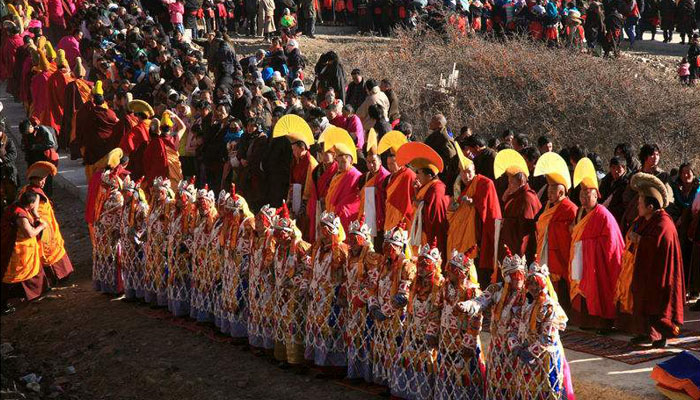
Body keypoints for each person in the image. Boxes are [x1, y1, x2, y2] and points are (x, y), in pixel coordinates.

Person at [617, 173, 685, 348]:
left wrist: (639, 240)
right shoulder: (645, 219)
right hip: (644, 270)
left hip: (660, 274)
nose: (638, 207)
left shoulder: (664, 223)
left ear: (650, 206)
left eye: (640, 204)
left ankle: (660, 335)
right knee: (641, 299)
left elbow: (656, 245)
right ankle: (645, 333)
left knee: (657, 304)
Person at [458, 247, 527, 400]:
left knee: (517, 383)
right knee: (496, 380)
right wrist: (468, 305)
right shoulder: (496, 289)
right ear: (506, 276)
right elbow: (481, 301)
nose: (518, 280)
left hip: (518, 346)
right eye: (514, 276)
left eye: (520, 276)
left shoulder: (528, 295)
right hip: (497, 346)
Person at [569, 157, 624, 332]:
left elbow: (612, 242)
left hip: (600, 262)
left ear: (596, 195)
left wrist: (588, 245)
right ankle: (587, 322)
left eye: (588, 194)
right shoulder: (579, 212)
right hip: (583, 258)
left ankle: (604, 323)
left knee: (600, 290)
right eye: (581, 193)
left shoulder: (602, 214)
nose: (584, 197)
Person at [391, 241, 443, 400]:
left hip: (429, 331)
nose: (420, 268)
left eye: (425, 265)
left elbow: (437, 310)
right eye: (419, 264)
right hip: (412, 329)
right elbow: (406, 293)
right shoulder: (415, 280)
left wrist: (432, 332)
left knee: (426, 362)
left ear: (434, 266)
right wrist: (399, 299)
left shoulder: (440, 284)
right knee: (406, 358)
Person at [515, 262, 575, 400]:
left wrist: (530, 352)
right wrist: (520, 345)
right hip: (529, 355)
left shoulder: (549, 306)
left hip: (546, 357)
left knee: (547, 391)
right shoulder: (527, 303)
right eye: (530, 284)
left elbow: (548, 337)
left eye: (536, 284)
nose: (533, 288)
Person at [433, 248, 486, 400]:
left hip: (464, 340)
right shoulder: (444, 287)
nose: (447, 273)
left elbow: (476, 319)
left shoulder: (473, 292)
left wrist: (469, 343)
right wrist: (433, 331)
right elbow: (436, 309)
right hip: (445, 337)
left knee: (464, 372)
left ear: (461, 273)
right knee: (446, 370)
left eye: (451, 270)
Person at [368, 222, 416, 388]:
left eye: (392, 247)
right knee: (382, 349)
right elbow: (372, 287)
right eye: (386, 246)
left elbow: (403, 296)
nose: (388, 250)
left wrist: (385, 311)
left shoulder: (407, 266)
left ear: (400, 247)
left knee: (395, 349)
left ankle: (395, 385)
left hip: (396, 318)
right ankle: (384, 381)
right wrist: (373, 306)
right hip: (380, 316)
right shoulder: (382, 263)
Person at [447, 145, 501, 288]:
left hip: (481, 234)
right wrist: (452, 209)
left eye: (469, 172)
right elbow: (456, 213)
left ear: (475, 171)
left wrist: (474, 203)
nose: (467, 176)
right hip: (466, 235)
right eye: (463, 173)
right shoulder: (460, 187)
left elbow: (490, 209)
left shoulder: (485, 183)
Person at [305, 211, 348, 372]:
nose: (321, 233)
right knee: (316, 328)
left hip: (332, 297)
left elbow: (348, 274)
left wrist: (342, 293)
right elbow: (310, 267)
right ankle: (317, 360)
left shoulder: (342, 250)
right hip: (316, 295)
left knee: (331, 328)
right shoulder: (316, 247)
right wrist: (308, 285)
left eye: (324, 230)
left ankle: (333, 365)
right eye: (320, 229)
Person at [18, 161, 74, 284]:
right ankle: (58, 277)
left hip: (44, 227)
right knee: (49, 253)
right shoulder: (36, 195)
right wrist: (42, 224)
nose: (44, 182)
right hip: (44, 230)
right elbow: (35, 212)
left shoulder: (26, 189)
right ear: (36, 180)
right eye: (42, 180)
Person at [534, 152, 577, 306]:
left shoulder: (569, 208)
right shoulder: (548, 206)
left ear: (561, 192)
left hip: (559, 253)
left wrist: (553, 227)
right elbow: (542, 223)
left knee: (559, 284)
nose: (549, 195)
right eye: (548, 192)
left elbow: (571, 229)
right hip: (546, 250)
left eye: (553, 192)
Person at [270, 202, 311, 366]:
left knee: (294, 324)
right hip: (281, 292)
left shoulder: (300, 247)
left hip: (294, 294)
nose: (278, 237)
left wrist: (294, 282)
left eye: (281, 233)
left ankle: (296, 359)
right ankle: (282, 356)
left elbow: (308, 269)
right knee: (281, 321)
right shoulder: (279, 248)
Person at [344, 217, 382, 382]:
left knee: (365, 337)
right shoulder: (350, 255)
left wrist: (362, 298)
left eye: (354, 240)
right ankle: (354, 371)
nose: (351, 243)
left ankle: (366, 374)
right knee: (353, 335)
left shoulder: (370, 257)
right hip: (352, 302)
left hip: (365, 306)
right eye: (350, 239)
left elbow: (374, 283)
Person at [494, 149, 542, 279]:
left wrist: (520, 256)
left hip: (518, 249)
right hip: (509, 243)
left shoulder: (527, 197)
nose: (509, 185)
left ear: (521, 182)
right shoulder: (516, 195)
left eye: (511, 182)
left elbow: (526, 230)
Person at [1, 191, 49, 314]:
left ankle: (30, 294)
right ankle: (3, 305)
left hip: (17, 248)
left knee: (30, 271)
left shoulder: (16, 205)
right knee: (11, 275)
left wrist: (35, 214)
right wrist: (42, 226)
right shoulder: (20, 215)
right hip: (17, 251)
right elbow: (30, 233)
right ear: (31, 204)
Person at [400, 142, 450, 255]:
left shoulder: (438, 189)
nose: (417, 176)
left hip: (431, 236)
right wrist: (417, 192)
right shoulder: (428, 187)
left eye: (420, 173)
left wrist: (419, 205)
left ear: (429, 175)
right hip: (421, 233)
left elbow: (433, 214)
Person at [75, 81, 120, 182]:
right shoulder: (110, 113)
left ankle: (93, 183)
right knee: (105, 165)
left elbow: (83, 128)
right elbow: (117, 123)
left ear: (93, 100)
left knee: (93, 166)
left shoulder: (89, 113)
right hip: (106, 145)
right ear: (103, 100)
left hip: (92, 145)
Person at [248, 205, 277, 354]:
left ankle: (268, 345)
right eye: (256, 220)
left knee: (266, 309)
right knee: (256, 308)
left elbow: (270, 258)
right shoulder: (255, 236)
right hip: (255, 277)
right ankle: (257, 341)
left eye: (260, 220)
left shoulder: (270, 237)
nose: (256, 223)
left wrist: (263, 271)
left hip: (265, 280)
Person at [166, 178, 198, 316]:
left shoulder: (191, 215)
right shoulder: (174, 213)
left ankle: (185, 308)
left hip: (185, 251)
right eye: (177, 198)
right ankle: (175, 306)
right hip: (174, 249)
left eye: (181, 198)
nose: (178, 201)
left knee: (183, 277)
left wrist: (186, 246)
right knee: (175, 276)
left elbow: (193, 234)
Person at [92, 168, 125, 294]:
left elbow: (120, 215)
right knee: (103, 258)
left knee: (111, 258)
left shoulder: (117, 197)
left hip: (111, 233)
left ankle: (115, 287)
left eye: (106, 185)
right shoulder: (103, 196)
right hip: (102, 233)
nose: (103, 187)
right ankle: (105, 286)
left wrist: (116, 229)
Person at [189, 185, 219, 321]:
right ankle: (200, 312)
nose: (201, 207)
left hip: (208, 259)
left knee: (207, 284)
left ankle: (208, 315)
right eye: (199, 204)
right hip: (198, 258)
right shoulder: (198, 218)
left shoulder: (214, 219)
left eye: (203, 203)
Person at [323, 130, 362, 232]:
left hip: (344, 214)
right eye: (338, 162)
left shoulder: (355, 175)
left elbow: (356, 198)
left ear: (350, 160)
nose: (340, 165)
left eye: (343, 162)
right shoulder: (337, 174)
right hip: (332, 213)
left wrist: (341, 208)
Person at [145, 177, 175, 307]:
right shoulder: (154, 205)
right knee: (154, 269)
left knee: (163, 269)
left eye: (159, 192)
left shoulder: (169, 206)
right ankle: (156, 296)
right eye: (155, 192)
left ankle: (164, 299)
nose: (156, 195)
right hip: (153, 244)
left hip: (163, 244)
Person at [119, 176, 149, 301]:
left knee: (138, 268)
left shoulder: (141, 207)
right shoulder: (125, 206)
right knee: (128, 267)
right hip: (126, 243)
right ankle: (130, 293)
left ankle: (140, 295)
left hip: (137, 243)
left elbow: (145, 226)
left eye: (127, 192)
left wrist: (137, 237)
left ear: (133, 193)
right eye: (123, 192)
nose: (124, 195)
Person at [378, 130, 415, 232]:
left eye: (392, 163)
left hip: (403, 215)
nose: (390, 166)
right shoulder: (389, 178)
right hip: (390, 213)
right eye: (388, 164)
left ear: (399, 162)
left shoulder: (408, 174)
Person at [358, 133, 389, 248]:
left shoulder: (386, 177)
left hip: (379, 219)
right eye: (368, 162)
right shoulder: (365, 177)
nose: (371, 165)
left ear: (380, 161)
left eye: (374, 162)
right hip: (366, 217)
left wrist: (379, 192)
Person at [63, 58, 93, 159]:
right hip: (86, 113)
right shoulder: (89, 85)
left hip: (74, 113)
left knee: (74, 132)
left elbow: (68, 102)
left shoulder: (70, 86)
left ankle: (75, 152)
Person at [19, 118, 58, 197]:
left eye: (27, 132)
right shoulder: (25, 133)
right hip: (32, 159)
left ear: (31, 127)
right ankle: (36, 197)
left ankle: (48, 198)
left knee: (46, 181)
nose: (26, 134)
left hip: (45, 158)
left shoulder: (43, 130)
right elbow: (23, 143)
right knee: (34, 179)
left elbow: (51, 143)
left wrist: (35, 146)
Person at [424, 114, 457, 186]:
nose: (430, 123)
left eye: (432, 122)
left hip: (441, 172)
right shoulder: (436, 134)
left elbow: (451, 155)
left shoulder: (444, 136)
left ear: (439, 124)